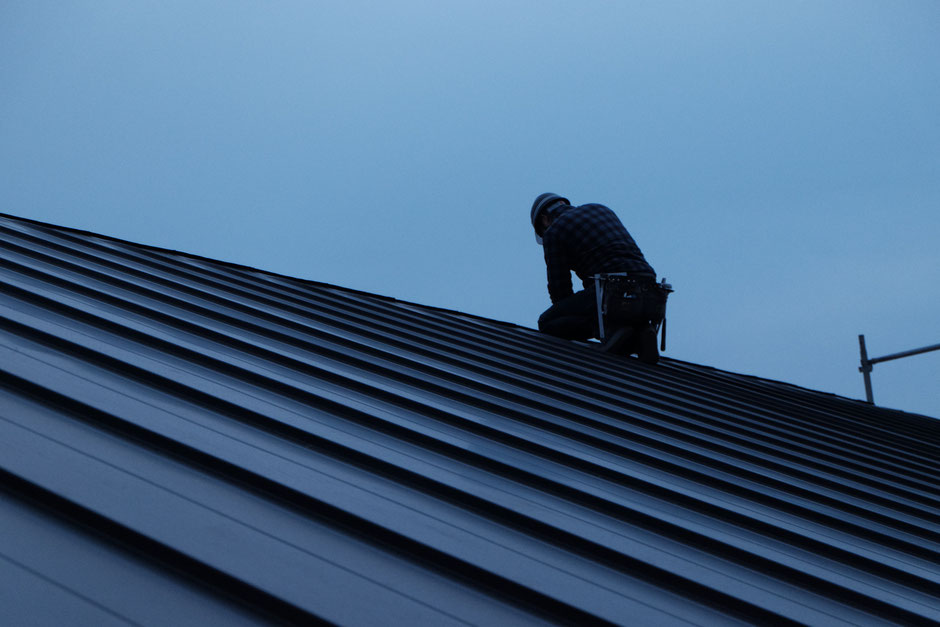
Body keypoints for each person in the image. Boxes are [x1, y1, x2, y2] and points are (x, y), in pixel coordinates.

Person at [530, 192, 664, 364]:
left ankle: (616, 332)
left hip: (612, 291)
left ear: (544, 219)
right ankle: (640, 331)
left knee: (548, 322)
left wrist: (575, 318)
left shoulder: (554, 232)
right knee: (597, 298)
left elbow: (560, 289)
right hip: (651, 291)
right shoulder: (601, 209)